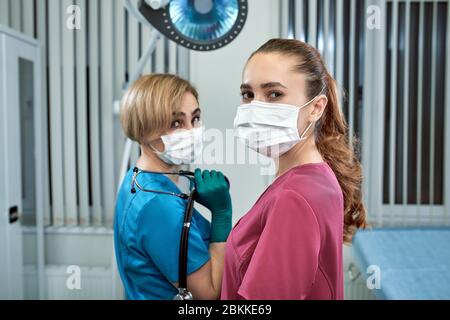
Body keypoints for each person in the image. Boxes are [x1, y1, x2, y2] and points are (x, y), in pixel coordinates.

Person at [221, 39, 367, 300]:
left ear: (316, 108)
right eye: (248, 94)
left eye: (274, 94)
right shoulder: (315, 177)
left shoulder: (295, 196)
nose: (256, 107)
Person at [114, 74, 232, 300]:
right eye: (176, 123)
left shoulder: (137, 177)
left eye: (195, 119)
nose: (191, 131)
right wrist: (221, 215)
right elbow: (209, 295)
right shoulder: (158, 205)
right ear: (142, 129)